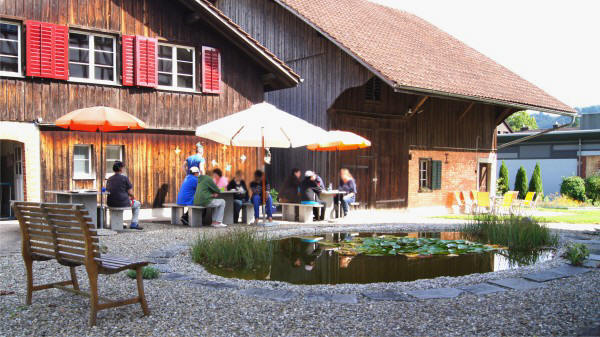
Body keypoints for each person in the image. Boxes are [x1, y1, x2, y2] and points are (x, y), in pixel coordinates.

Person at [106, 161, 142, 230]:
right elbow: (130, 192)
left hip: (110, 203)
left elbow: (108, 190)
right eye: (123, 168)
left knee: (119, 202)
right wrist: (133, 197)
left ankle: (119, 223)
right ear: (121, 169)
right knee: (137, 204)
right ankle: (134, 224)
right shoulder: (124, 178)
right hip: (123, 202)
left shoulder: (109, 179)